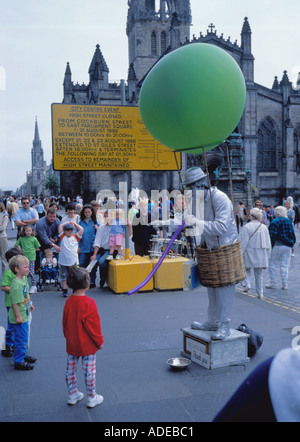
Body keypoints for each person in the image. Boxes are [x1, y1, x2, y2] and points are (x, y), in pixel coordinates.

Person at [183, 166, 239, 340]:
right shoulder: (199, 200)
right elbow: (185, 219)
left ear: (201, 185)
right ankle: (212, 321)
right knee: (212, 288)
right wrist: (163, 222)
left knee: (224, 289)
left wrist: (197, 222)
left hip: (225, 249)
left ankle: (224, 324)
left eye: (191, 187)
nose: (189, 192)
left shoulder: (220, 199)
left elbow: (222, 227)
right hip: (209, 249)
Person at [62, 265, 104, 408]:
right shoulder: (89, 303)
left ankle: (73, 394)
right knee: (89, 372)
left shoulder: (68, 301)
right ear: (86, 284)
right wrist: (99, 341)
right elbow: (93, 326)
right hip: (88, 345)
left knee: (70, 370)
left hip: (72, 343)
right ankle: (91, 397)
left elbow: (65, 322)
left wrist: (67, 336)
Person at [5, 255, 36, 370]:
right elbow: (14, 302)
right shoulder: (17, 284)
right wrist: (18, 316)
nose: (28, 269)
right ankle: (19, 361)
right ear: (17, 269)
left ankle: (21, 354)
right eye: (26, 267)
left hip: (23, 313)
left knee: (14, 334)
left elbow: (24, 296)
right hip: (21, 317)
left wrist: (29, 304)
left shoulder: (22, 280)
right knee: (21, 338)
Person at [1, 248, 29, 358]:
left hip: (22, 304)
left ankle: (16, 346)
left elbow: (25, 289)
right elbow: (3, 287)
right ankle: (8, 345)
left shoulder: (23, 276)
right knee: (12, 327)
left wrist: (28, 301)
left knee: (17, 328)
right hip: (12, 304)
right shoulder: (9, 273)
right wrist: (13, 290)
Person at [240, 208, 272, 299]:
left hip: (249, 251)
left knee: (247, 269)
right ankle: (260, 293)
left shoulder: (247, 227)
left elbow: (244, 241)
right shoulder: (264, 227)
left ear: (252, 216)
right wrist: (268, 254)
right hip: (260, 252)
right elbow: (268, 242)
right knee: (259, 274)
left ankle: (247, 284)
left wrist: (240, 252)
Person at [266, 206, 296, 290]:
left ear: (277, 213)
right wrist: (292, 244)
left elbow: (271, 235)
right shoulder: (289, 221)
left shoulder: (275, 221)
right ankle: (284, 284)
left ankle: (273, 282)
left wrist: (270, 246)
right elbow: (292, 234)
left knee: (272, 264)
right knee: (285, 265)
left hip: (277, 245)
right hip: (287, 246)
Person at [58, 221, 83, 298]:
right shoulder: (63, 237)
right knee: (63, 276)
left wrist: (74, 224)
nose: (69, 232)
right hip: (64, 262)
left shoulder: (76, 237)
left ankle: (74, 289)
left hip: (73, 262)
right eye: (67, 230)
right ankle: (65, 290)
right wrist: (67, 222)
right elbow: (60, 227)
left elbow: (81, 229)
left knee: (74, 276)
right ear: (64, 231)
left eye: (71, 230)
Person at [15, 225, 41, 293]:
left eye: (30, 231)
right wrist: (21, 251)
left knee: (31, 272)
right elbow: (16, 246)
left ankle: (33, 286)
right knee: (23, 272)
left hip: (32, 257)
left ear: (32, 231)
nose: (28, 232)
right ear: (24, 231)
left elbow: (37, 247)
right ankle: (24, 285)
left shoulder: (34, 238)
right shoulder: (21, 238)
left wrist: (32, 251)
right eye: (27, 231)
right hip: (24, 258)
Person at [90, 210, 113, 288]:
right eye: (105, 216)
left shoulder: (115, 227)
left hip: (111, 250)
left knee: (101, 261)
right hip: (102, 250)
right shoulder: (101, 228)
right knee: (94, 260)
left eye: (108, 215)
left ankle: (103, 278)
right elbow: (97, 242)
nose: (106, 217)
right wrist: (94, 254)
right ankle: (93, 280)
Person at [78, 205, 99, 288]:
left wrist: (97, 228)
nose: (87, 213)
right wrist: (78, 247)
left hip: (93, 247)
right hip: (83, 247)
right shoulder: (80, 223)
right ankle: (82, 281)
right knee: (82, 264)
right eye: (86, 212)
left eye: (88, 212)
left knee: (92, 265)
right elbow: (78, 236)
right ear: (83, 213)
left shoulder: (95, 222)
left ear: (91, 213)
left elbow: (100, 233)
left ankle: (92, 281)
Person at [0, 203, 8, 274]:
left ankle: (5, 277)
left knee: (3, 258)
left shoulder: (4, 217)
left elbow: (3, 228)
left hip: (2, 238)